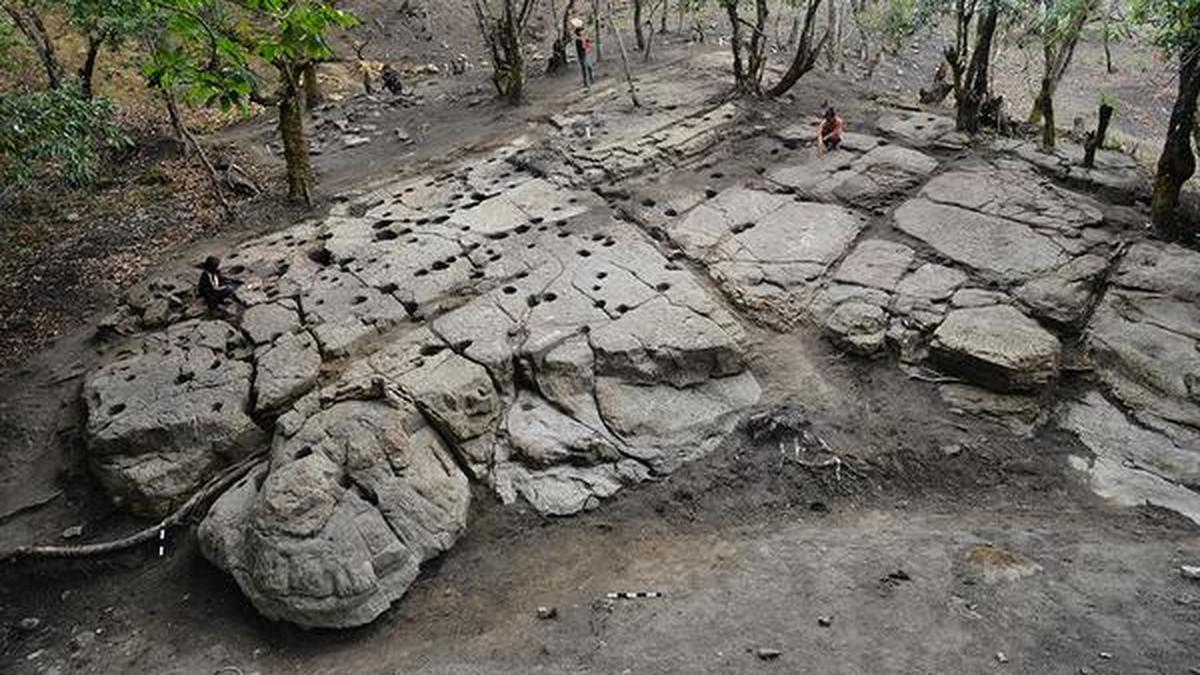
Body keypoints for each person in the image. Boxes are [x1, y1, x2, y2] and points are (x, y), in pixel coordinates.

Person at [572, 20, 594, 90]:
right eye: (581, 31)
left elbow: (588, 43)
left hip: (585, 55)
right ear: (578, 32)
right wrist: (588, 44)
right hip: (582, 56)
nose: (582, 32)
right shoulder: (578, 40)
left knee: (589, 68)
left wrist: (588, 42)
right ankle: (586, 83)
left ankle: (590, 80)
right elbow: (583, 47)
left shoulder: (582, 38)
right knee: (585, 69)